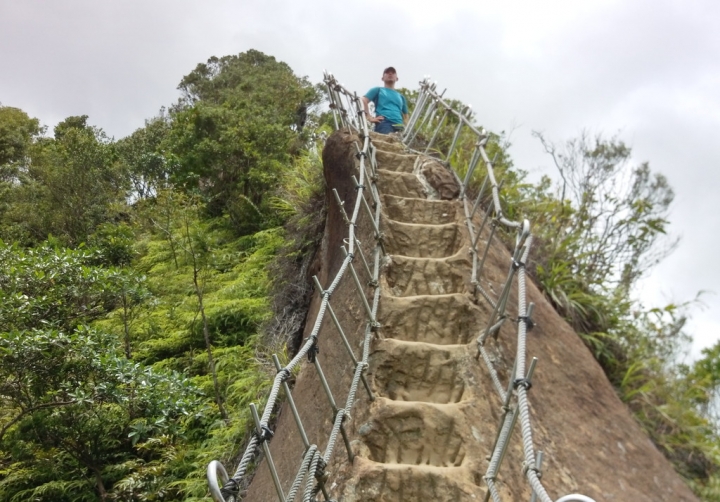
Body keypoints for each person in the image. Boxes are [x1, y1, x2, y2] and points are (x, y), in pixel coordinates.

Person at [362, 67, 409, 134]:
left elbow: (406, 115)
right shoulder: (378, 90)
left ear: (397, 78)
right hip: (385, 123)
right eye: (387, 72)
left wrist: (406, 126)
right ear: (382, 78)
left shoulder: (401, 97)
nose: (390, 74)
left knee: (399, 144)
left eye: (393, 73)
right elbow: (363, 100)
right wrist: (369, 117)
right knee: (387, 143)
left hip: (399, 125)